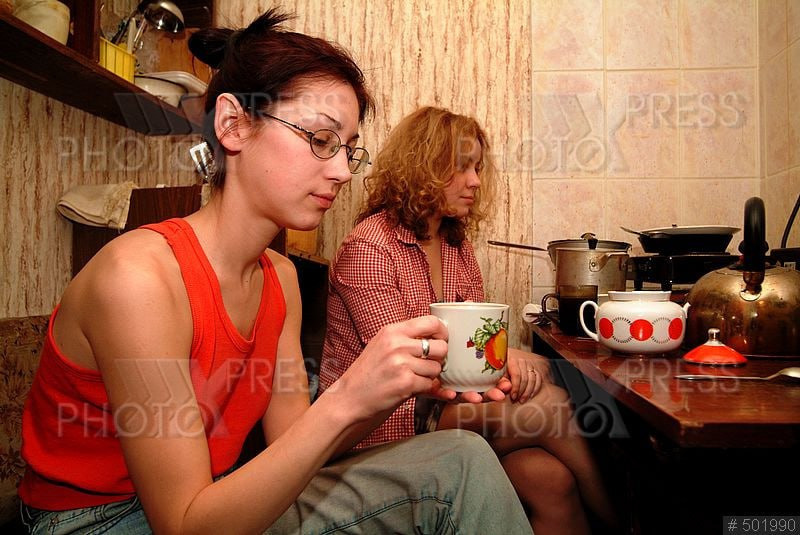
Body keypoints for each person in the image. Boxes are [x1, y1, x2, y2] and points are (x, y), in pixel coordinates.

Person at [18, 13, 533, 534]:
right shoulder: (138, 279)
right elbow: (183, 525)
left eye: (348, 149)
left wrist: (385, 390)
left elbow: (296, 447)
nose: (342, 171)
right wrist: (345, 397)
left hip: (219, 493)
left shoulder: (280, 278)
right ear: (233, 125)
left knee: (461, 458)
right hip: (97, 519)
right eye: (321, 139)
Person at [319, 106, 618, 535]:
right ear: (423, 166)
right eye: (461, 167)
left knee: (550, 479)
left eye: (477, 168)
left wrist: (503, 358)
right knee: (553, 407)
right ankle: (624, 525)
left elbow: (477, 343)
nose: (475, 181)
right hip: (386, 423)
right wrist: (507, 355)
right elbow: (406, 366)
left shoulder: (454, 244)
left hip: (447, 406)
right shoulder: (369, 247)